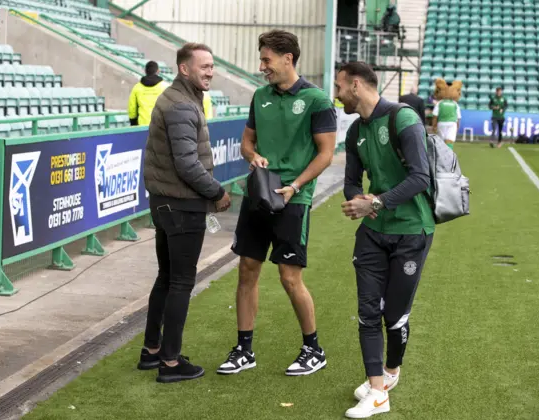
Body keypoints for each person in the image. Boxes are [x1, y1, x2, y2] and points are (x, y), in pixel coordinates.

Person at [217, 30, 337, 377]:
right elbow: (246, 143)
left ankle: (313, 349)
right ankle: (244, 349)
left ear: (288, 58)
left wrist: (296, 184)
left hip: (293, 199)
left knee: (289, 277)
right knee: (247, 271)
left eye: (267, 60)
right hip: (259, 194)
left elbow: (326, 153)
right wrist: (253, 157)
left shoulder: (317, 100)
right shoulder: (260, 96)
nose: (262, 66)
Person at [335, 61, 434, 418]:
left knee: (394, 316)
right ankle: (377, 390)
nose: (337, 94)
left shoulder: (403, 119)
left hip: (411, 230)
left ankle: (391, 371)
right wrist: (355, 200)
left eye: (339, 86)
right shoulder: (354, 132)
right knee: (366, 311)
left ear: (357, 85)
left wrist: (376, 201)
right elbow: (350, 180)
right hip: (373, 235)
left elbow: (420, 177)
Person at [138, 43, 231, 383]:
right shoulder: (180, 104)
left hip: (167, 203)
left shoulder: (183, 98)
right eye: (204, 66)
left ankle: (152, 351)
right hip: (180, 206)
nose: (210, 71)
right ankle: (171, 363)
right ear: (184, 69)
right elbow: (187, 164)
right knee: (180, 282)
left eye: (211, 65)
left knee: (166, 277)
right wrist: (217, 192)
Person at [127, 61, 169, 126]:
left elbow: (132, 108)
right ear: (158, 71)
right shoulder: (165, 87)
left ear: (145, 71)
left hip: (142, 127)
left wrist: (133, 123)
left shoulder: (137, 87)